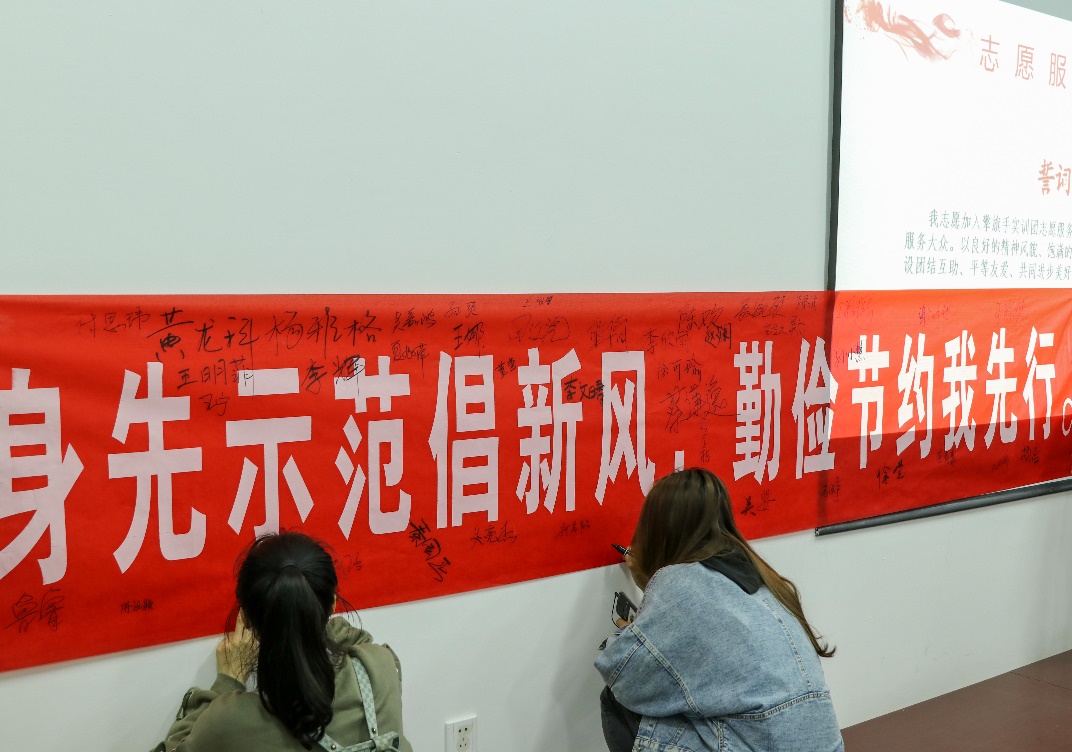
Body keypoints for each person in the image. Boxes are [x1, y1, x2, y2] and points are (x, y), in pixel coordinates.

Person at [594, 468, 843, 752]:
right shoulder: (759, 575)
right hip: (821, 744)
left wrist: (645, 585)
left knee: (619, 700)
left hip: (761, 743)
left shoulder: (680, 579)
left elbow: (622, 672)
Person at [152, 531, 412, 752]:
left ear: (247, 620)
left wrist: (227, 681)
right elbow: (357, 644)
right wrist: (310, 621)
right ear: (333, 604)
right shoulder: (381, 667)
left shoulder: (229, 722)